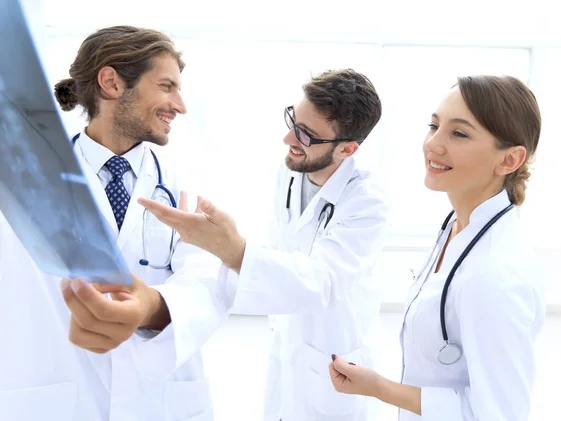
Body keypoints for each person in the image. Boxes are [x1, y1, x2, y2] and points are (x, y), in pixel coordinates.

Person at [0, 26, 234, 421]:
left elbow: (210, 274)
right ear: (111, 82)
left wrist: (152, 307)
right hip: (59, 394)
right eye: (166, 86)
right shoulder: (25, 179)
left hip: (160, 399)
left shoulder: (186, 179)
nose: (180, 104)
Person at [139, 69, 389, 420]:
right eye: (293, 120)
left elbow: (322, 281)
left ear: (347, 149)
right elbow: (283, 253)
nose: (289, 138)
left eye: (306, 134)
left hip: (337, 360)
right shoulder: (291, 171)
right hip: (289, 346)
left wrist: (233, 249)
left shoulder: (367, 201)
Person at [327, 75, 546, 421]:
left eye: (458, 133)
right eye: (434, 125)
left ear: (509, 160)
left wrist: (378, 387)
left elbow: (500, 415)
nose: (432, 144)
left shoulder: (494, 277)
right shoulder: (459, 225)